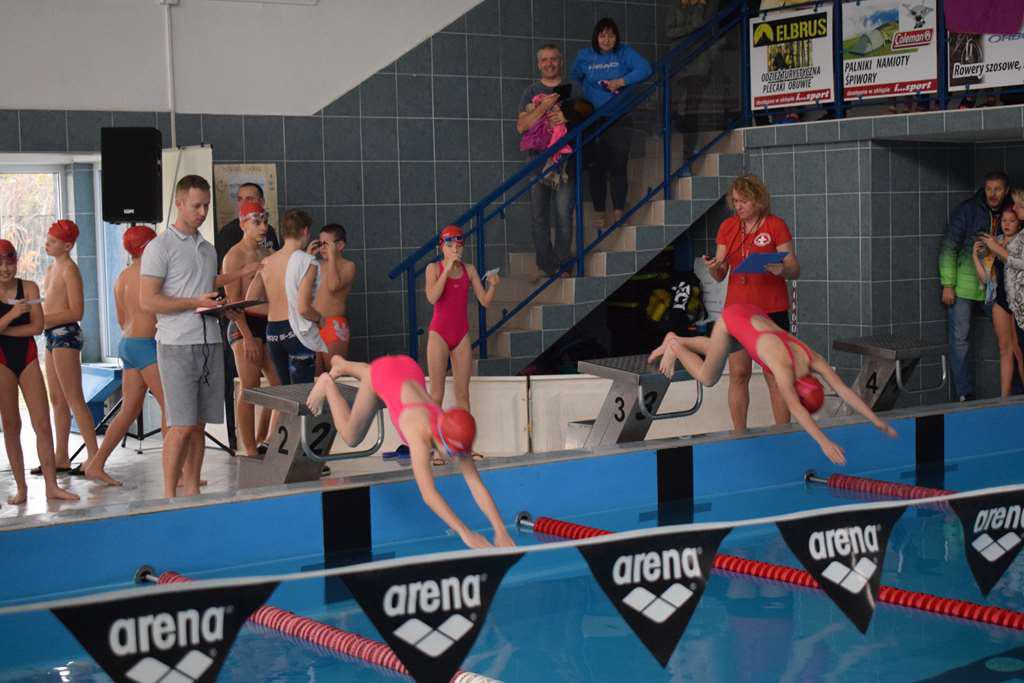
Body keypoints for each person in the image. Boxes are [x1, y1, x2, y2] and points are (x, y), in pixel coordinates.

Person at [305, 354, 515, 549]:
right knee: (351, 435)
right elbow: (429, 494)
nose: (456, 459)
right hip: (387, 373)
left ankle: (342, 365)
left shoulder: (454, 427)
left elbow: (475, 483)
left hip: (408, 369)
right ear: (440, 440)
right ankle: (327, 383)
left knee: (384, 375)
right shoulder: (418, 432)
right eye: (453, 454)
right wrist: (465, 533)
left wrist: (500, 530)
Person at [648, 303, 897, 464]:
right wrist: (824, 442)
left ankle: (675, 337)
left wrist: (875, 420)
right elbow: (797, 410)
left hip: (751, 313)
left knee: (721, 349)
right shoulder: (784, 370)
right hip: (733, 319)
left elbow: (842, 390)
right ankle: (675, 347)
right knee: (707, 376)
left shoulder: (811, 358)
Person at [140, 175, 255, 497]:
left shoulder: (206, 248)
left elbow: (204, 282)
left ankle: (192, 490)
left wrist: (235, 282)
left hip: (209, 342)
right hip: (176, 344)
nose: (202, 212)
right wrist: (195, 303)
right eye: (196, 206)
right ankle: (169, 495)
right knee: (181, 425)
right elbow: (147, 300)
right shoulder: (160, 247)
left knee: (200, 424)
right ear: (179, 204)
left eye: (206, 206)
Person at [704, 175, 800, 430]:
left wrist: (782, 270)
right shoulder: (728, 227)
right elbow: (720, 273)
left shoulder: (775, 225)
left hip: (771, 310)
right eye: (735, 201)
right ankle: (740, 433)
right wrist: (713, 268)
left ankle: (783, 434)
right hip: (738, 312)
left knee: (775, 375)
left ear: (758, 201)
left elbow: (794, 268)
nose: (738, 206)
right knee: (738, 374)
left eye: (744, 201)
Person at [76, 226, 167, 486]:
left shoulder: (122, 276)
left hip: (127, 344)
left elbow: (120, 319)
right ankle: (178, 471)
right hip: (146, 345)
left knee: (128, 410)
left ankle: (96, 464)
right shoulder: (152, 275)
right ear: (149, 247)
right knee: (171, 407)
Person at [0, 240, 78, 503]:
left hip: (28, 357)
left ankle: (51, 486)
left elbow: (37, 327)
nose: (5, 269)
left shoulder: (29, 287)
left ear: (16, 262)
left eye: (9, 263)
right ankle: (21, 488)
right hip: (2, 362)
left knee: (43, 424)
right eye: (0, 264)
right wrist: (13, 314)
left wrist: (5, 329)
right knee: (11, 425)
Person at [425, 225, 500, 459]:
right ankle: (436, 449)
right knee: (436, 394)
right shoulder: (433, 268)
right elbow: (432, 297)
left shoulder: (469, 270)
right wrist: (446, 270)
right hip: (438, 334)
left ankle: (465, 447)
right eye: (449, 245)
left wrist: (493, 285)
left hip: (461, 334)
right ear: (442, 247)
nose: (454, 248)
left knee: (463, 394)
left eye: (458, 244)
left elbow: (485, 301)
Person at [571, 17, 652, 230]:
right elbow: (575, 77)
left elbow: (645, 69)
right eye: (602, 35)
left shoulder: (624, 52)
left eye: (611, 35)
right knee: (596, 166)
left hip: (619, 117)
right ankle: (599, 211)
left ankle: (618, 211)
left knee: (618, 163)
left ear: (616, 37)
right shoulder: (584, 56)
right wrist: (588, 95)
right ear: (596, 37)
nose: (606, 40)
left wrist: (621, 81)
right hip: (593, 120)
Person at [939, 170, 1013, 401]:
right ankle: (964, 394)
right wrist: (948, 284)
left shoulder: (1011, 213)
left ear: (1006, 190)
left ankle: (1014, 392)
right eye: (989, 189)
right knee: (959, 340)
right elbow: (949, 246)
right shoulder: (968, 210)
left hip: (995, 287)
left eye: (997, 189)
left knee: (1012, 339)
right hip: (964, 286)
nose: (992, 194)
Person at [40, 219, 100, 473]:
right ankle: (61, 457)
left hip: (66, 335)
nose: (46, 244)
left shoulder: (69, 271)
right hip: (50, 334)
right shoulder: (51, 268)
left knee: (74, 397)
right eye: (47, 239)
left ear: (67, 245)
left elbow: (77, 311)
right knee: (56, 399)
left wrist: (41, 318)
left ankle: (95, 457)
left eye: (52, 241)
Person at [517, 44, 582, 278]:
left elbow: (587, 118)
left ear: (560, 62)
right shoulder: (531, 91)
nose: (549, 63)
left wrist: (566, 117)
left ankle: (564, 265)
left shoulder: (574, 89)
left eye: (553, 59)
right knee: (539, 217)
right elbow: (521, 126)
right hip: (537, 160)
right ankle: (547, 265)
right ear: (539, 64)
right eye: (544, 60)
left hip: (565, 161)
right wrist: (542, 108)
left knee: (564, 215)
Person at [222, 201, 281, 456]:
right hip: (243, 326)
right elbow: (233, 304)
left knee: (281, 387)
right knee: (249, 387)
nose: (263, 227)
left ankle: (266, 440)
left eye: (265, 221)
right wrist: (247, 337)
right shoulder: (233, 257)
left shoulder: (268, 254)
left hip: (267, 324)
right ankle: (249, 450)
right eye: (257, 222)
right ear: (243, 223)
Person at [246, 209, 319, 385]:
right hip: (296, 331)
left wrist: (275, 307)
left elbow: (249, 302)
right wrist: (319, 318)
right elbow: (303, 308)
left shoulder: (267, 262)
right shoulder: (307, 262)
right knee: (303, 393)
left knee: (284, 393)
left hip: (273, 333)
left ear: (283, 233)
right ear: (305, 231)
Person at [974, 208, 1024, 396]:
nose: (1007, 224)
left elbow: (1015, 262)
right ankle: (1004, 399)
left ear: (1019, 223)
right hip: (1001, 298)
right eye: (1004, 220)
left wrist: (995, 248)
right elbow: (987, 278)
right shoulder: (996, 241)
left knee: (1019, 351)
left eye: (1012, 220)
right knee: (1005, 349)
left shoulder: (1020, 242)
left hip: (1018, 300)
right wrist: (976, 256)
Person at [664, 0, 719, 162]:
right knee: (671, 104)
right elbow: (669, 32)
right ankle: (676, 132)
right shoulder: (675, 6)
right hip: (680, 62)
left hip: (699, 64)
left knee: (692, 108)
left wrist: (699, 5)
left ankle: (688, 153)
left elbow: (698, 24)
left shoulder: (707, 6)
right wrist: (690, 30)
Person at [313, 223, 357, 362]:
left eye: (326, 244)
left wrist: (332, 257)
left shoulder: (348, 266)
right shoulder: (317, 264)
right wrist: (308, 256)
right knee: (315, 374)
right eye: (320, 244)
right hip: (313, 325)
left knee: (335, 372)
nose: (322, 248)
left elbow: (333, 285)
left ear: (340, 245)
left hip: (333, 325)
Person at [215, 182, 280, 265]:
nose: (243, 203)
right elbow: (222, 270)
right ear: (242, 226)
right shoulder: (228, 232)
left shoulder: (269, 230)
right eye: (240, 199)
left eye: (249, 199)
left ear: (262, 202)